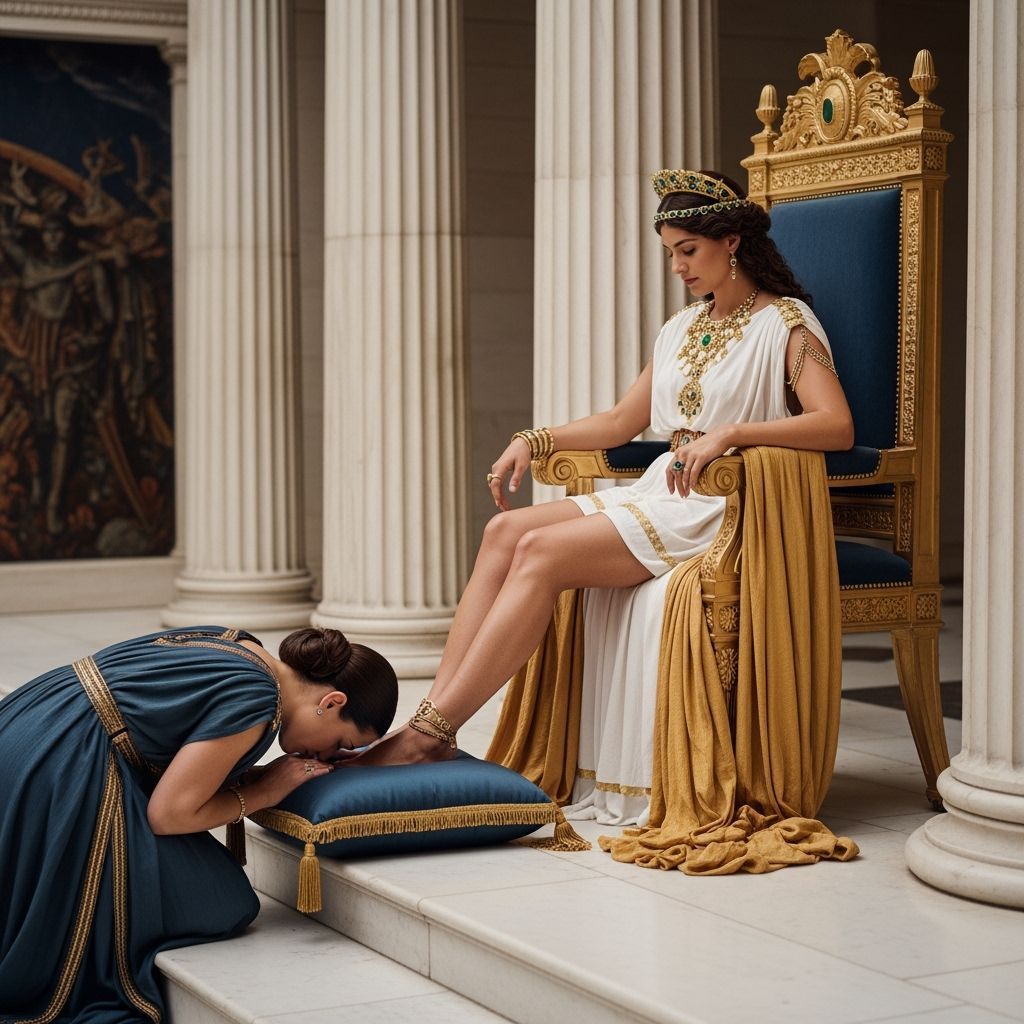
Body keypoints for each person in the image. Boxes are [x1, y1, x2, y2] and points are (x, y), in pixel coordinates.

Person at [351, 168, 853, 769]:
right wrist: (534, 438)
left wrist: (732, 433)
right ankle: (432, 720)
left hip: (728, 501)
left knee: (540, 551)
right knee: (504, 532)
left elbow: (835, 425)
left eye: (688, 250)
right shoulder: (683, 327)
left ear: (732, 242)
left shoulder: (785, 323)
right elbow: (620, 422)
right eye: (670, 253)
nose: (678, 267)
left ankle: (425, 738)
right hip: (667, 488)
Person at [0, 624, 398, 1023]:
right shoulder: (258, 698)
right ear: (331, 702)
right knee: (224, 902)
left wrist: (250, 777)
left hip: (30, 719)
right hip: (62, 765)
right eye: (342, 743)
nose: (327, 756)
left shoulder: (240, 643)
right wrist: (264, 793)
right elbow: (169, 814)